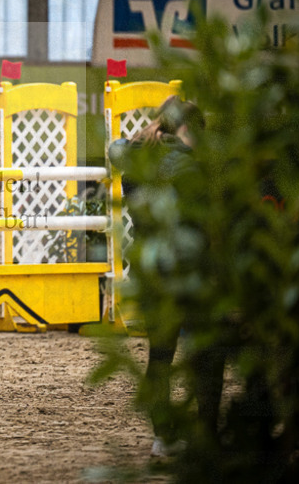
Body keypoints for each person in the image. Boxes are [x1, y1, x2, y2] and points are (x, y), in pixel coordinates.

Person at [109, 96, 218, 458]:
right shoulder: (192, 163)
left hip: (152, 271)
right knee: (207, 357)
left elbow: (115, 147)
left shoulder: (136, 156)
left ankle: (163, 438)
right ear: (188, 128)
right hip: (190, 271)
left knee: (160, 357)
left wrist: (142, 137)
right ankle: (208, 435)